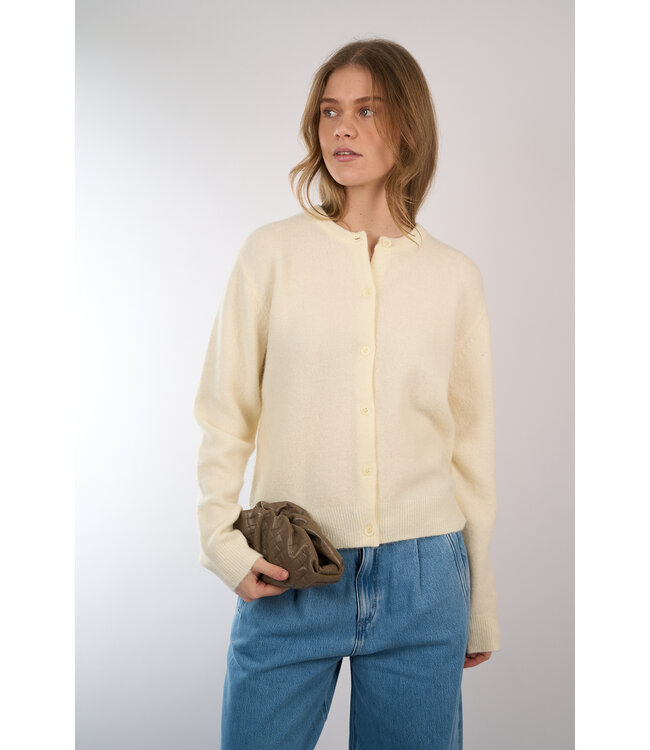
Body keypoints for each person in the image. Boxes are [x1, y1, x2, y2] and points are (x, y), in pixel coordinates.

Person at [193, 37, 501, 750]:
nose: (342, 128)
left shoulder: (454, 277)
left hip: (425, 580)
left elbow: (472, 449)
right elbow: (223, 411)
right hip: (291, 568)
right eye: (330, 111)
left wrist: (479, 599)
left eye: (367, 110)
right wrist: (220, 542)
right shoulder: (271, 254)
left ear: (409, 126)